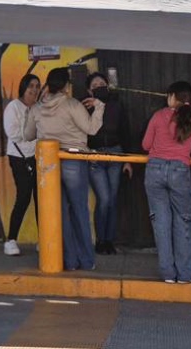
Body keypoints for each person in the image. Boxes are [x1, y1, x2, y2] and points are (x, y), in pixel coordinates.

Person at [24, 67, 104, 271]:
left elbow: (27, 134)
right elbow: (92, 128)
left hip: (49, 165)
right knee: (79, 211)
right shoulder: (72, 104)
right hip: (74, 160)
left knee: (60, 214)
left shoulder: (37, 108)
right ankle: (86, 261)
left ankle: (69, 260)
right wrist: (99, 107)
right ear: (67, 86)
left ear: (48, 86)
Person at [141, 80, 191, 284]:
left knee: (161, 223)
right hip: (179, 170)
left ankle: (168, 273)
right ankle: (184, 274)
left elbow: (146, 144)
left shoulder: (158, 116)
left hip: (154, 170)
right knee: (182, 221)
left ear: (172, 97)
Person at [86, 71, 133, 255]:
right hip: (95, 156)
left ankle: (109, 241)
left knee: (112, 200)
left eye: (102, 84)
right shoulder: (85, 106)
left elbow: (125, 132)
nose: (99, 87)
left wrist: (128, 161)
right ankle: (100, 239)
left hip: (116, 154)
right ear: (89, 91)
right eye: (95, 86)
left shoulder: (117, 105)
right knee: (104, 199)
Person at [2, 73, 41, 256]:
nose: (34, 90)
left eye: (37, 86)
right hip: (19, 158)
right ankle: (11, 239)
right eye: (30, 86)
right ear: (23, 87)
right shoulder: (13, 107)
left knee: (42, 199)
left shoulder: (39, 107)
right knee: (24, 196)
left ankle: (44, 238)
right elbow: (14, 134)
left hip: (39, 157)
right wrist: (30, 120)